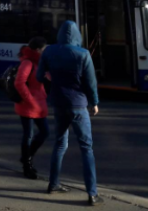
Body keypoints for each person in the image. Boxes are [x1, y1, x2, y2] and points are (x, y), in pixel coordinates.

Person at [36, 21, 103, 206]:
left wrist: (51, 76)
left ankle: (53, 184)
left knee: (59, 144)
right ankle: (92, 193)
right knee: (86, 148)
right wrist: (94, 102)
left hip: (58, 104)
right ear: (77, 36)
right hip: (79, 105)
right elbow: (90, 83)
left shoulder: (49, 51)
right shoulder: (83, 54)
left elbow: (38, 76)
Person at [15, 37, 49, 180]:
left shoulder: (39, 61)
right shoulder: (28, 62)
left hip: (39, 103)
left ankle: (26, 157)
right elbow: (19, 83)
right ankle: (27, 165)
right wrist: (29, 100)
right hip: (28, 105)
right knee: (28, 135)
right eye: (43, 49)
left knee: (44, 132)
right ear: (37, 50)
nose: (45, 51)